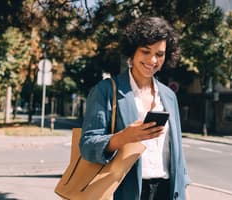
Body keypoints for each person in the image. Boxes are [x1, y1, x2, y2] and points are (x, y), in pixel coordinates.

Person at [79, 16, 191, 200]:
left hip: (167, 190)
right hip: (125, 191)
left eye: (160, 54)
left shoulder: (169, 96)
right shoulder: (105, 90)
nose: (153, 60)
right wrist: (123, 137)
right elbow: (87, 146)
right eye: (145, 52)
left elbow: (176, 150)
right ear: (132, 53)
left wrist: (184, 187)